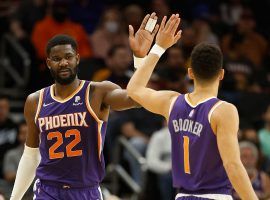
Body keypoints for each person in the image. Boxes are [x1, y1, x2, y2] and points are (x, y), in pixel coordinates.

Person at [10, 13, 158, 199]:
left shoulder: (97, 92)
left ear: (77, 59)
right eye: (56, 59)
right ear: (48, 63)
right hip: (47, 190)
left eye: (68, 57)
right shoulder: (35, 101)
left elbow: (136, 99)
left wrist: (140, 58)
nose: (63, 62)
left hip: (86, 190)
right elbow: (31, 155)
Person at [127, 14, 258, 199]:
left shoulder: (171, 102)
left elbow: (134, 89)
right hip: (215, 195)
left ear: (190, 73)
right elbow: (233, 165)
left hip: (183, 196)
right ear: (221, 74)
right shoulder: (223, 110)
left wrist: (158, 48)